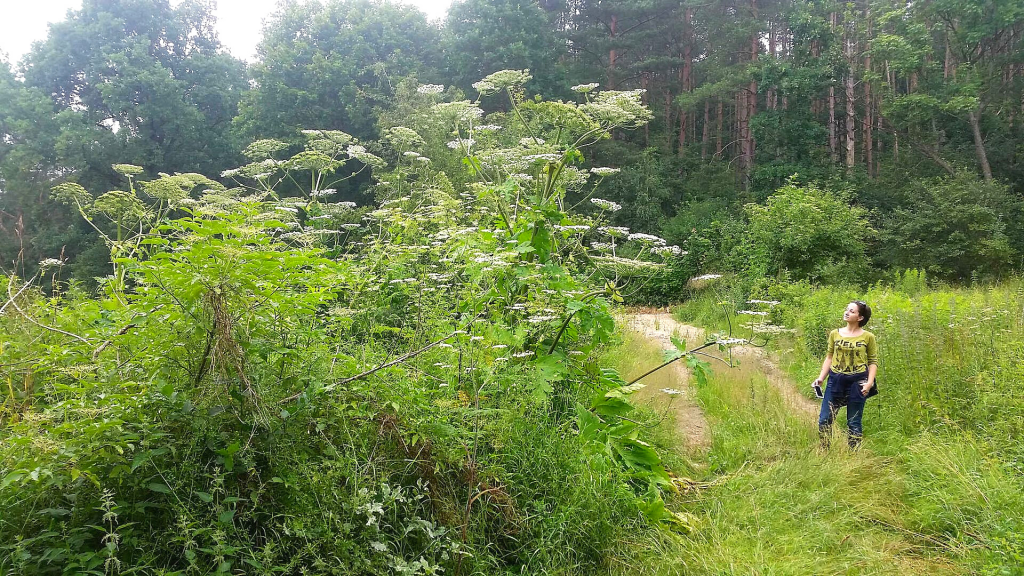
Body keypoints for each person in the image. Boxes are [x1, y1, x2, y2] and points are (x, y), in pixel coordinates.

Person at [812, 300, 878, 448]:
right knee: (825, 419)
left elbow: (872, 361)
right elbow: (829, 357)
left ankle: (853, 456)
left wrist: (869, 382)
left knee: (854, 422)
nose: (847, 312)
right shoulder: (835, 334)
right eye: (847, 309)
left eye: (852, 311)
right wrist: (821, 378)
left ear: (860, 318)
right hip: (836, 379)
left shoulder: (868, 337)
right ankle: (824, 450)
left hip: (858, 381)